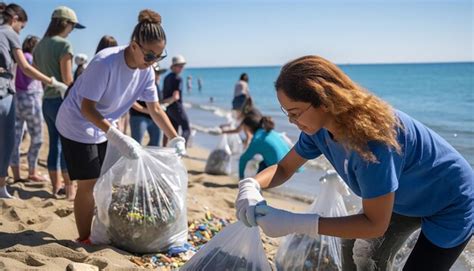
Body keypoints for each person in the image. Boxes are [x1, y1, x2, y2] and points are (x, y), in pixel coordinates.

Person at [235, 56, 473, 271]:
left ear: (324, 101)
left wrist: (295, 222)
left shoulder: (372, 143)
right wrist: (251, 184)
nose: (290, 120)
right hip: (404, 196)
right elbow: (285, 167)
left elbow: (374, 225)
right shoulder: (317, 130)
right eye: (286, 112)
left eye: (295, 112)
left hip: (450, 203)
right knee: (352, 247)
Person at [55, 9, 186, 243]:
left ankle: (100, 228)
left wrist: (175, 137)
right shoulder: (105, 63)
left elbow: (155, 109)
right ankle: (84, 238)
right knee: (89, 182)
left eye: (159, 56)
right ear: (134, 46)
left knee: (105, 180)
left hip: (103, 125)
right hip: (76, 123)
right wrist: (117, 135)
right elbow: (87, 108)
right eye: (149, 56)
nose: (154, 62)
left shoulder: (146, 71)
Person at [0, 3, 68, 199]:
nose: (21, 30)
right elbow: (26, 68)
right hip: (4, 92)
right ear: (15, 20)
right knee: (8, 139)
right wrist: (53, 82)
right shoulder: (9, 33)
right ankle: (2, 186)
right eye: (21, 26)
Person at [33, 6, 85, 199]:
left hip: (46, 100)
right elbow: (67, 79)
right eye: (72, 26)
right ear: (65, 23)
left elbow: (37, 74)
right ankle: (70, 190)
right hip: (62, 100)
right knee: (67, 144)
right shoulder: (63, 45)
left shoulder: (40, 45)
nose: (71, 30)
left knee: (54, 143)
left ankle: (55, 188)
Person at [10, 35, 48, 183]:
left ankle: (16, 174)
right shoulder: (31, 58)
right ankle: (32, 171)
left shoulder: (19, 58)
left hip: (16, 98)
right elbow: (34, 73)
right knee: (37, 137)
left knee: (16, 138)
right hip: (31, 99)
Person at [129, 64, 167, 146]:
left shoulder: (155, 85)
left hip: (154, 118)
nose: (159, 76)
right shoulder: (139, 83)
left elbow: (158, 103)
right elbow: (131, 102)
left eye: (159, 73)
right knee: (135, 145)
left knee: (155, 144)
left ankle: (145, 158)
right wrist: (149, 111)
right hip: (139, 116)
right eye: (157, 73)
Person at [162, 55, 191, 146]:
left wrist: (164, 103)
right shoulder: (178, 78)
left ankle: (166, 149)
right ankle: (180, 149)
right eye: (180, 66)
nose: (182, 68)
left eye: (182, 66)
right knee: (186, 129)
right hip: (176, 107)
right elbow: (176, 96)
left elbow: (164, 93)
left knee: (171, 131)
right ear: (174, 66)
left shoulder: (166, 78)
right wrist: (171, 101)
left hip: (168, 108)